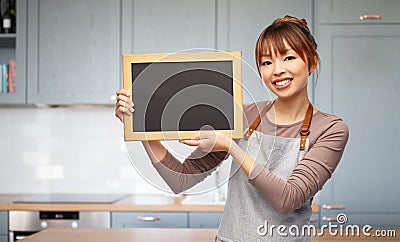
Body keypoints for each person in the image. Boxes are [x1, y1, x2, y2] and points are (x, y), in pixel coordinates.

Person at [115, 15, 349, 241]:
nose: (277, 70)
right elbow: (180, 180)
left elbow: (289, 198)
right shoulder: (244, 116)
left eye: (288, 58)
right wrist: (140, 124)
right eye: (267, 62)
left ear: (311, 61)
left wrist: (231, 146)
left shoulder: (330, 129)